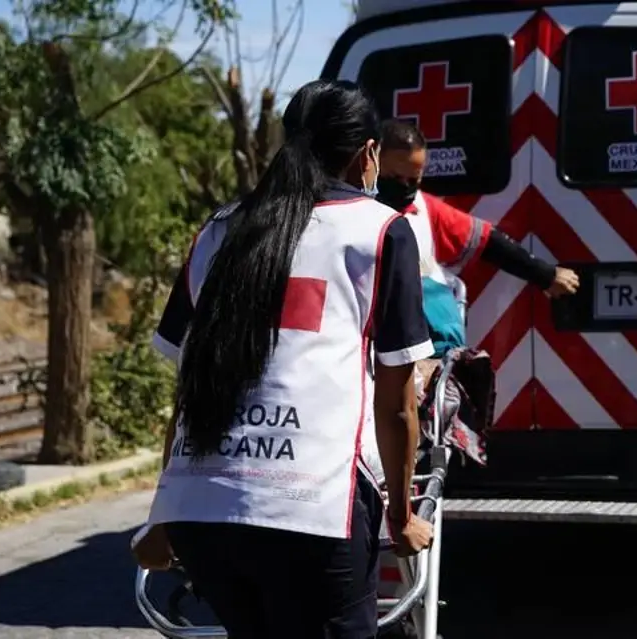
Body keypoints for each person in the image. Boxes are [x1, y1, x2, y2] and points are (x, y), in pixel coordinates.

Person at [142, 80, 435, 639]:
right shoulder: (380, 232)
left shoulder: (219, 231)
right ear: (369, 154)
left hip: (202, 518)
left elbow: (189, 387)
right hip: (315, 515)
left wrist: (163, 516)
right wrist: (401, 518)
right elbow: (396, 405)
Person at [375, 119, 579, 354]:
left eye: (414, 179)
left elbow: (487, 240)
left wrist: (545, 274)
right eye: (394, 178)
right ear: (372, 162)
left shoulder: (423, 210)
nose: (405, 187)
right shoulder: (343, 210)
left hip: (415, 348)